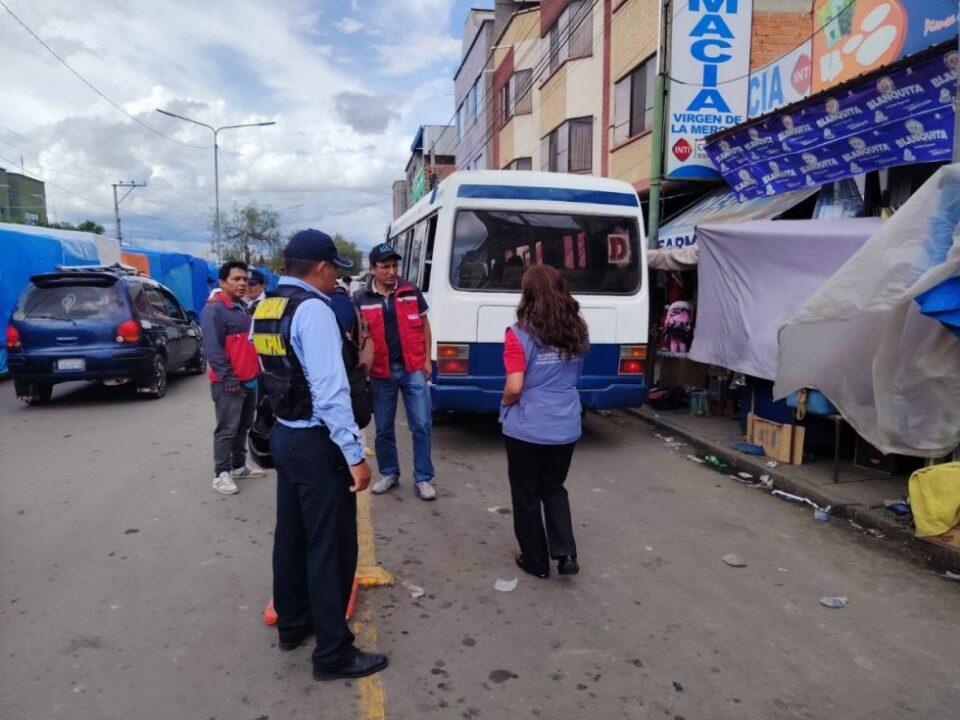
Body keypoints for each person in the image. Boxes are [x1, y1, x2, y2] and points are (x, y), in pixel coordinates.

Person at [252, 229, 387, 682]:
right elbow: (331, 393)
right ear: (322, 268)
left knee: (291, 539)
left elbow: (269, 374)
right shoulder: (314, 310)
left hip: (286, 437)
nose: (336, 280)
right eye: (334, 271)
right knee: (332, 547)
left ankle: (293, 625)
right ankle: (333, 653)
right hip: (316, 442)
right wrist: (355, 455)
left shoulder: (267, 305)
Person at [500, 264, 588, 579]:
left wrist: (505, 403)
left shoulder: (518, 333)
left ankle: (535, 561)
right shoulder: (578, 329)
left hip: (527, 427)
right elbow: (576, 374)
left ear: (526, 294)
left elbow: (514, 387)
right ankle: (566, 553)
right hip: (565, 423)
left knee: (526, 493)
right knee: (553, 487)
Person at [354, 243, 436, 501]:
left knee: (421, 424)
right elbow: (357, 336)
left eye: (394, 266)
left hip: (412, 368)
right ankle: (389, 473)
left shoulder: (410, 291)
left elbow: (424, 326)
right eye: (385, 267)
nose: (391, 271)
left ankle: (423, 477)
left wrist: (427, 360)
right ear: (373, 269)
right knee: (383, 429)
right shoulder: (361, 298)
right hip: (381, 373)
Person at [200, 261, 265, 496]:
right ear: (222, 282)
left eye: (245, 279)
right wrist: (228, 378)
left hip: (249, 380)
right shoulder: (214, 310)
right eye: (236, 279)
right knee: (227, 429)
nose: (242, 283)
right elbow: (212, 348)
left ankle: (238, 466)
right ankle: (221, 474)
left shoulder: (242, 307)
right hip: (229, 384)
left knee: (243, 426)